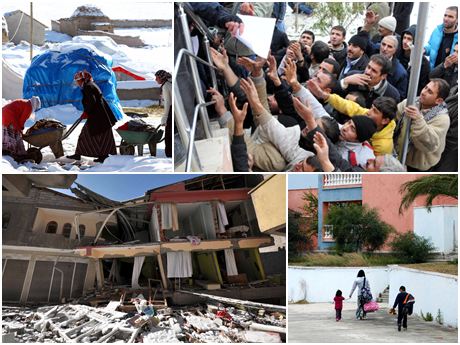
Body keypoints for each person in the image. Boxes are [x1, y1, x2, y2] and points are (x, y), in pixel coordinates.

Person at [394, 79, 451, 171]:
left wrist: (418, 119)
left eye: (430, 92)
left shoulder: (442, 119)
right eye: (425, 87)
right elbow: (394, 117)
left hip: (416, 166)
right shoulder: (411, 102)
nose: (424, 92)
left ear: (439, 101)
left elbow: (429, 144)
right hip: (397, 154)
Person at [67, 71, 117, 163]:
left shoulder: (88, 87)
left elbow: (92, 100)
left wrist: (87, 112)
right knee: (103, 134)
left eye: (78, 81)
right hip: (100, 114)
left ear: (83, 79)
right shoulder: (90, 85)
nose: (77, 83)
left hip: (98, 115)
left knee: (86, 134)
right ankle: (103, 156)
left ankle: (79, 154)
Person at [2, 96, 42, 163]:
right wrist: (21, 131)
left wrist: (20, 130)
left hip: (4, 113)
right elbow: (21, 121)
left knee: (8, 133)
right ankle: (14, 153)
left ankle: (6, 149)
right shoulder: (29, 107)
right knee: (14, 134)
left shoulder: (25, 102)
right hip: (9, 115)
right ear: (35, 105)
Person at [397, 25, 431, 95]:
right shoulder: (397, 53)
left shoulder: (423, 63)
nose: (405, 41)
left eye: (409, 39)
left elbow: (422, 85)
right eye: (404, 38)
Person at [155, 70, 172, 158]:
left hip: (171, 111)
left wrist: (164, 118)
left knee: (169, 135)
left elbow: (167, 103)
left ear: (161, 78)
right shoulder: (169, 83)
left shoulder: (166, 86)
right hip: (173, 110)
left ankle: (169, 154)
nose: (155, 80)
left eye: (157, 78)